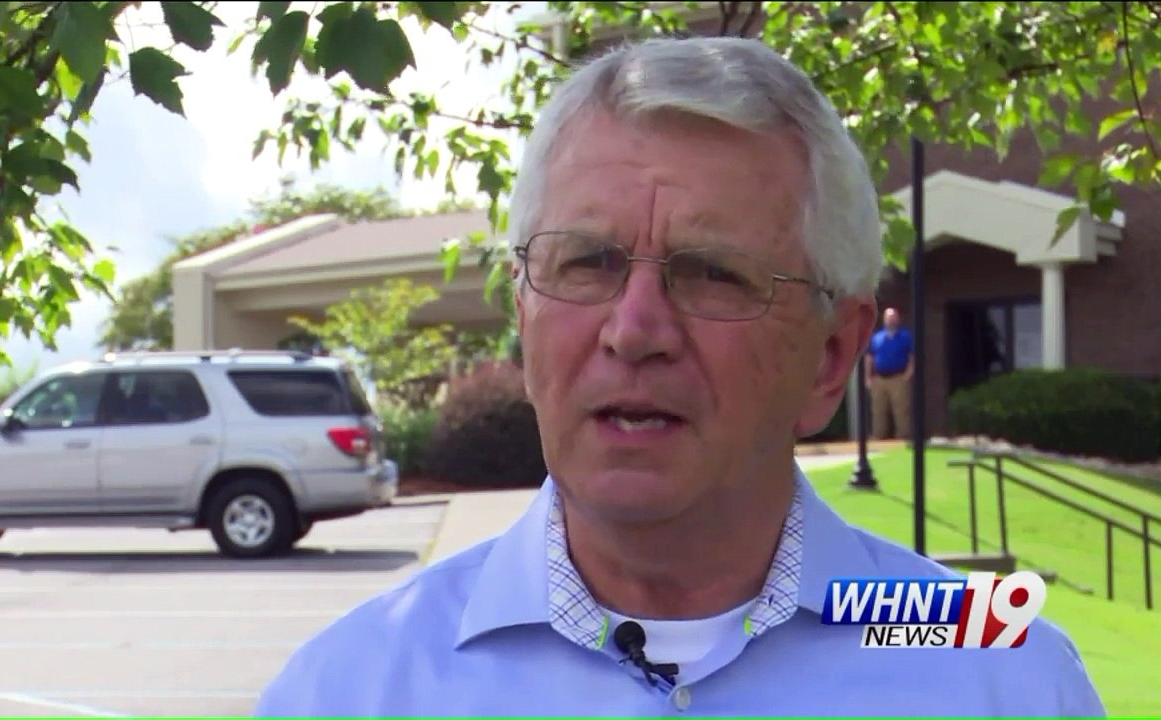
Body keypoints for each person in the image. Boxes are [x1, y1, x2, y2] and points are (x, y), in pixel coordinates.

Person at [254, 37, 1104, 717]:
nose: (635, 331)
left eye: (713, 274)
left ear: (832, 356)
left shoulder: (1002, 670)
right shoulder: (350, 689)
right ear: (522, 314)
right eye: (587, 262)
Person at [865, 307, 915, 439]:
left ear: (897, 319)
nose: (891, 320)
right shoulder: (877, 337)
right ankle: (879, 437)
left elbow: (912, 356)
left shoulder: (905, 336)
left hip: (898, 377)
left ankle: (903, 437)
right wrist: (868, 377)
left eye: (893, 317)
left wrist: (908, 374)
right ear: (884, 319)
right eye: (888, 317)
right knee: (878, 410)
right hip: (879, 379)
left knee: (901, 409)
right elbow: (870, 357)